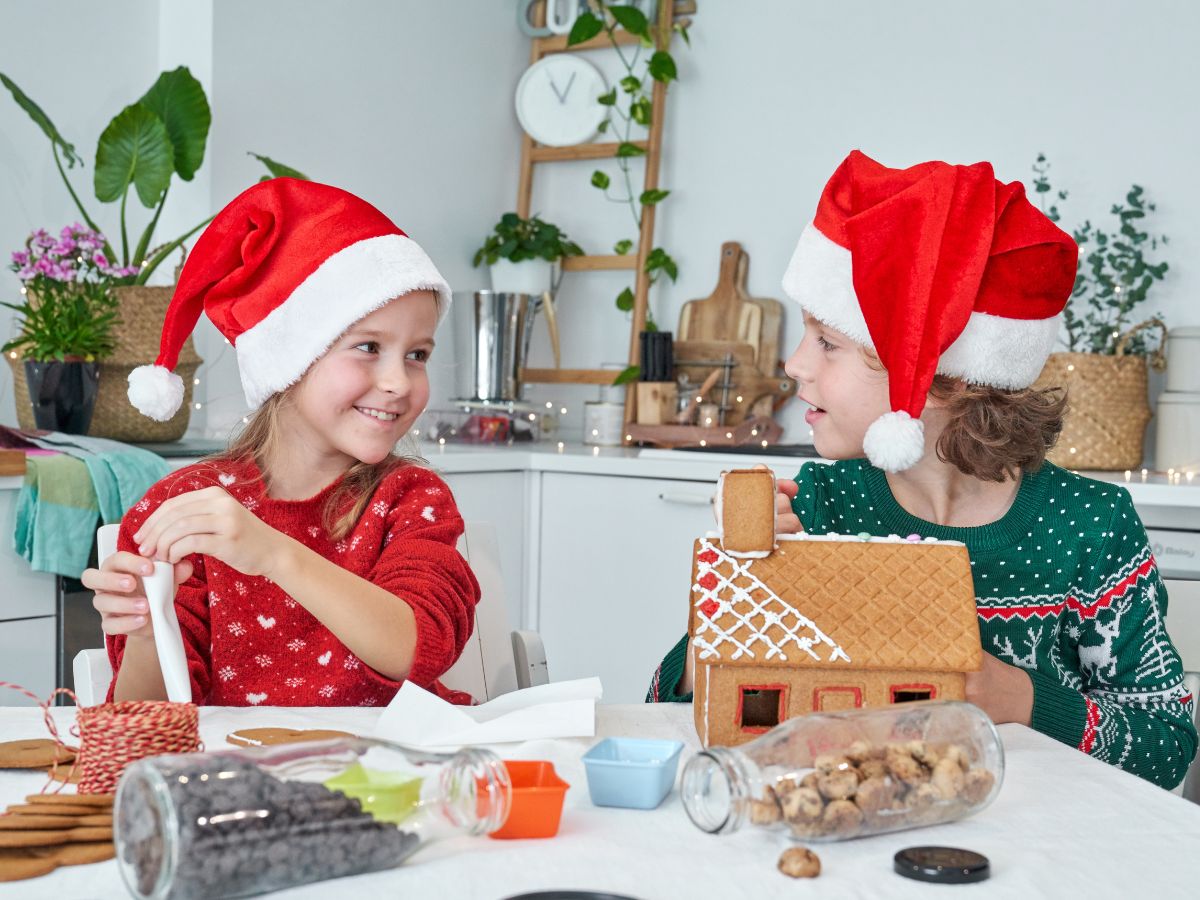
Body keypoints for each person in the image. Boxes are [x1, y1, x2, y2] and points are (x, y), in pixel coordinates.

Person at [648, 151, 1197, 788]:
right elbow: (669, 710)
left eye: (829, 342)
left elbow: (1167, 746)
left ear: (938, 381)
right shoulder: (816, 508)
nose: (794, 364)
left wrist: (1019, 699)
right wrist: (736, 592)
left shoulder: (1090, 526)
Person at [82, 178, 479, 706]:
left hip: (393, 776)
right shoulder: (186, 512)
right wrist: (148, 632)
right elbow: (146, 716)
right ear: (290, 360)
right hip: (242, 782)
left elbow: (420, 648)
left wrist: (272, 553)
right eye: (368, 347)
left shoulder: (410, 499)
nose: (400, 383)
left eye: (418, 355)